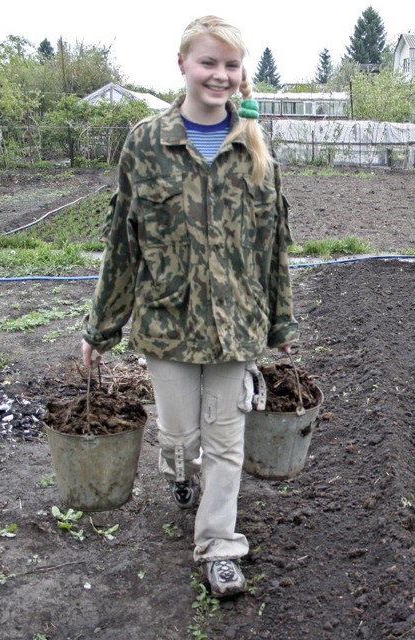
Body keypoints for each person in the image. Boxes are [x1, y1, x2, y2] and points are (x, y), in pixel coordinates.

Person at [80, 15, 298, 598]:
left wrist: (279, 322)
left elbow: (273, 245)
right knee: (180, 439)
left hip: (235, 325)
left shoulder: (254, 147)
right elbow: (123, 242)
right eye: (209, 62)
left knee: (225, 440)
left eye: (231, 65)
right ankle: (179, 475)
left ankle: (220, 545)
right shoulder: (146, 143)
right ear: (183, 65)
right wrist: (100, 328)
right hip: (167, 322)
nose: (220, 75)